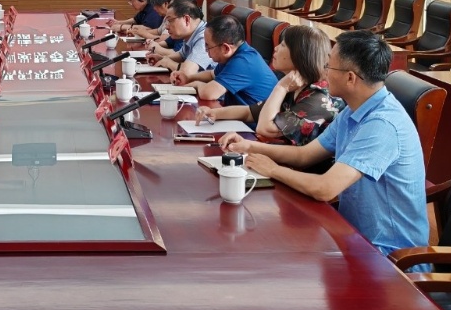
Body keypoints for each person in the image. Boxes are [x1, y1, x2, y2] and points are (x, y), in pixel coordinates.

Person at [218, 30, 428, 257]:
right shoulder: (353, 110)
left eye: (329, 66)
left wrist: (273, 170)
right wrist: (249, 146)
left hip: (387, 256)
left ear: (350, 78)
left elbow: (325, 188)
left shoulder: (382, 125)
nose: (325, 72)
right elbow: (304, 155)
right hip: (350, 236)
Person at [197, 25, 344, 144]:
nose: (276, 48)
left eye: (283, 45)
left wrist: (281, 88)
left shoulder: (318, 98)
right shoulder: (295, 84)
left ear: (300, 55)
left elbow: (265, 129)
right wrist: (214, 113)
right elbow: (249, 112)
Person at [174, 13, 278, 106]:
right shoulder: (235, 53)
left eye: (208, 46)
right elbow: (212, 75)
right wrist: (188, 78)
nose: (206, 50)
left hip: (253, 121)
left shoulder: (244, 62)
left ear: (225, 48)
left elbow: (208, 93)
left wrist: (196, 84)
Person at [145, 0, 215, 75]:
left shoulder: (204, 37)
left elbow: (187, 72)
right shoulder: (191, 34)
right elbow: (181, 56)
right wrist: (162, 58)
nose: (167, 27)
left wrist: (168, 63)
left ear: (186, 19)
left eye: (170, 21)